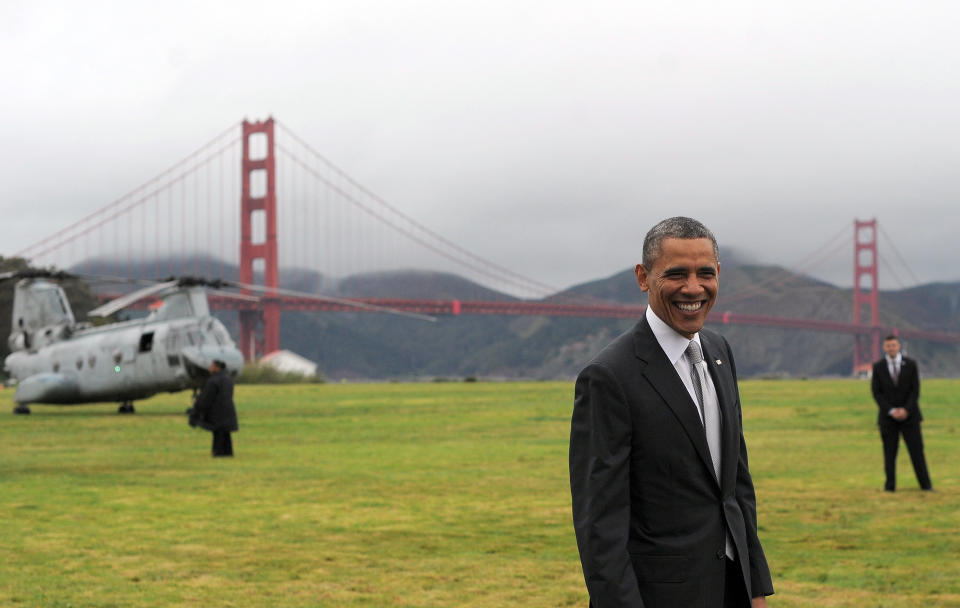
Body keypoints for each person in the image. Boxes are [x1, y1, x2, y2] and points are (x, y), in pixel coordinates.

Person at [569, 217, 773, 607]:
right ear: (643, 277)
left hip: (731, 588)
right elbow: (600, 525)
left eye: (705, 273)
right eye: (676, 274)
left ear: (719, 275)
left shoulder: (718, 351)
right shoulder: (609, 377)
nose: (693, 288)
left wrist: (755, 587)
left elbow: (736, 487)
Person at [871, 335, 932, 492]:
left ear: (899, 346)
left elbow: (915, 390)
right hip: (888, 418)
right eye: (888, 346)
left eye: (893, 345)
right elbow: (876, 393)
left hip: (910, 417)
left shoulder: (911, 365)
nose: (891, 348)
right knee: (889, 454)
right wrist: (891, 410)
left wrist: (906, 409)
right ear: (884, 348)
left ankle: (926, 486)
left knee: (917, 452)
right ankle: (890, 487)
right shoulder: (878, 367)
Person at [189, 359, 239, 457]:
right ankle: (228, 452)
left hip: (217, 412)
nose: (210, 368)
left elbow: (205, 398)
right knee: (226, 434)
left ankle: (218, 453)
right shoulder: (228, 379)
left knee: (218, 433)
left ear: (217, 367)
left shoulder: (213, 381)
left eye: (211, 366)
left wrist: (196, 412)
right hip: (228, 410)